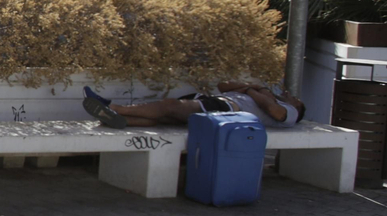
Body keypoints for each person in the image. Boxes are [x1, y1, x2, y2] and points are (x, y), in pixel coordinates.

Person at [82, 82, 305, 130]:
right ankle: (122, 120)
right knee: (164, 118)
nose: (291, 95)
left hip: (228, 111)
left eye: (295, 97)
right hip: (222, 105)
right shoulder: (258, 93)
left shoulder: (292, 111)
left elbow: (275, 112)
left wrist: (260, 93)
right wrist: (249, 86)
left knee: (170, 106)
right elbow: (223, 85)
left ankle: (113, 108)